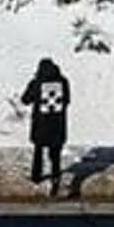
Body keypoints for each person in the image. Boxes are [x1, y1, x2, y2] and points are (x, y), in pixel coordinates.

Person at [21, 58, 71, 197]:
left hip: (40, 124)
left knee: (38, 151)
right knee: (55, 155)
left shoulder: (37, 82)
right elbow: (67, 100)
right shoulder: (63, 82)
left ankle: (36, 176)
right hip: (58, 124)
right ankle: (56, 177)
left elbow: (25, 99)